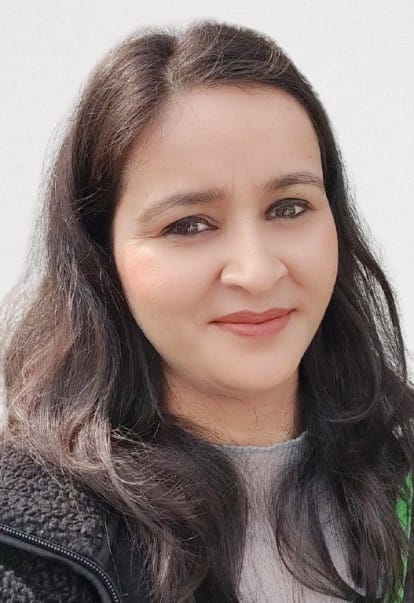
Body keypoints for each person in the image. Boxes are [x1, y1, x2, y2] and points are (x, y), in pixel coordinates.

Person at [0, 18, 413, 603]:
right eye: (188, 225)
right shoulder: (27, 548)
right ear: (101, 258)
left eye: (289, 208)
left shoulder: (402, 483)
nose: (257, 271)